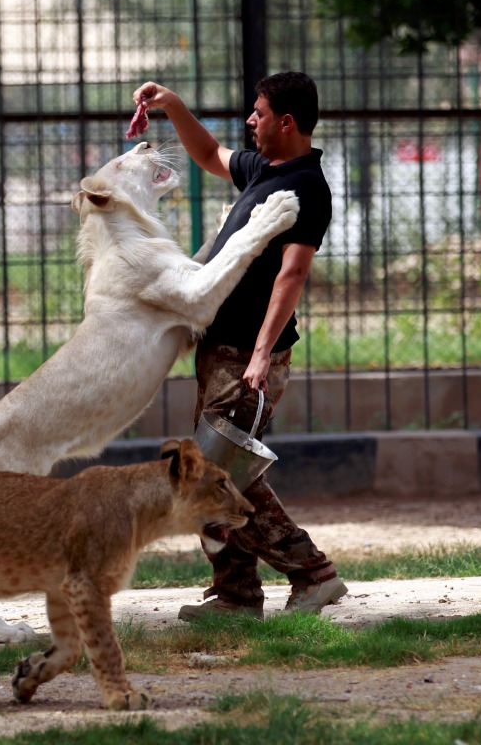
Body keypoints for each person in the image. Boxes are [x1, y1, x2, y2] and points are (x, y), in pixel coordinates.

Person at [132, 72, 348, 618]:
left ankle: (311, 571)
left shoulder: (305, 187)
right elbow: (208, 152)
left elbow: (291, 276)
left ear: (286, 121)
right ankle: (236, 595)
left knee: (214, 476)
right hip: (219, 349)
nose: (250, 121)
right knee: (208, 474)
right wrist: (172, 103)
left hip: (250, 358)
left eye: (258, 113)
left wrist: (258, 354)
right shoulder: (263, 169)